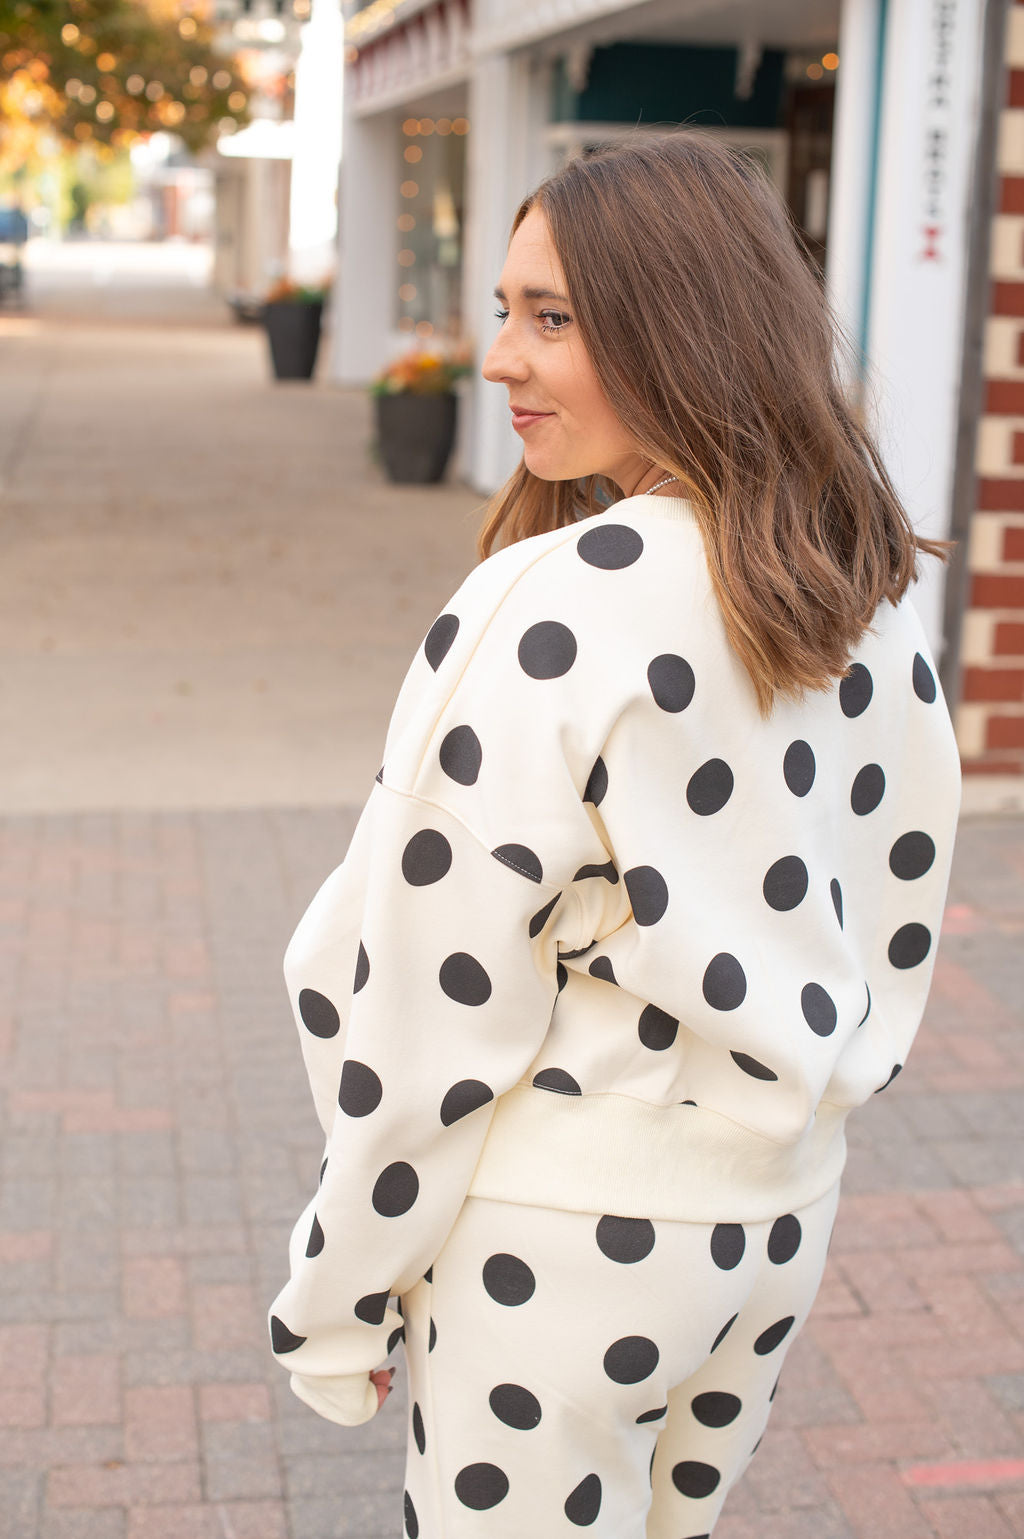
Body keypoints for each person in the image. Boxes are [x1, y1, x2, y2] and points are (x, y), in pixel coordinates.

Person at [268, 131, 962, 1537]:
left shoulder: (556, 609)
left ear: (682, 329)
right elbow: (893, 914)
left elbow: (424, 1011)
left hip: (559, 1243)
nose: (498, 360)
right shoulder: (857, 596)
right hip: (771, 1232)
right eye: (505, 310)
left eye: (553, 317)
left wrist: (334, 1297)